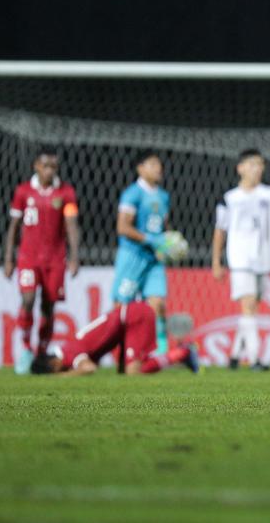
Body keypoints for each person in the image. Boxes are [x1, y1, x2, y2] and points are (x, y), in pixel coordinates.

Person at [3, 148, 80, 374]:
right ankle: (26, 350)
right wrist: (9, 259)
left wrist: (74, 257)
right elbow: (14, 227)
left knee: (48, 306)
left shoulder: (65, 192)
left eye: (53, 166)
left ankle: (41, 352)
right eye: (45, 166)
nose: (49, 170)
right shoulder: (23, 191)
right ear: (36, 166)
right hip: (28, 257)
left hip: (55, 259)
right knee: (27, 300)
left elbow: (72, 225)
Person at [211, 149, 270, 371]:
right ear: (241, 168)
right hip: (239, 258)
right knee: (248, 305)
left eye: (260, 165)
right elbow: (220, 230)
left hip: (263, 258)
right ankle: (254, 359)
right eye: (253, 164)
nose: (257, 169)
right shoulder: (229, 198)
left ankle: (235, 355)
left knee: (252, 307)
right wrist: (216, 261)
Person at [31, 301, 198, 375]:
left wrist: (63, 377)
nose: (63, 371)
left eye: (56, 371)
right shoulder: (69, 348)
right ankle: (180, 354)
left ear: (53, 364)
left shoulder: (70, 352)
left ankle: (182, 353)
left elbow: (88, 368)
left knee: (134, 372)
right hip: (129, 321)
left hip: (133, 318)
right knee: (125, 372)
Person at [112, 150, 172, 355]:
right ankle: (120, 350)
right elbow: (122, 227)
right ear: (140, 168)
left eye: (159, 164)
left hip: (154, 259)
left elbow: (164, 226)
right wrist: (150, 239)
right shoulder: (132, 194)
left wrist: (169, 242)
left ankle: (158, 350)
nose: (158, 169)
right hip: (133, 256)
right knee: (122, 305)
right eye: (153, 164)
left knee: (158, 304)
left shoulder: (164, 196)